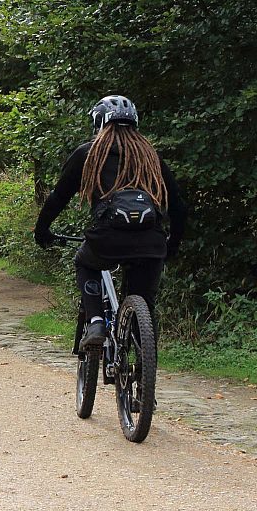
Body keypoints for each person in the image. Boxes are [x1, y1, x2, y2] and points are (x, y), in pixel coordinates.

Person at [33, 96, 187, 352]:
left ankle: (95, 323)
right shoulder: (150, 157)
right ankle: (145, 383)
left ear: (98, 123)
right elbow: (178, 206)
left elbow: (58, 197)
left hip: (107, 238)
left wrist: (42, 230)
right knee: (145, 305)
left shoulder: (89, 154)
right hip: (151, 241)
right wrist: (173, 244)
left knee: (85, 263)